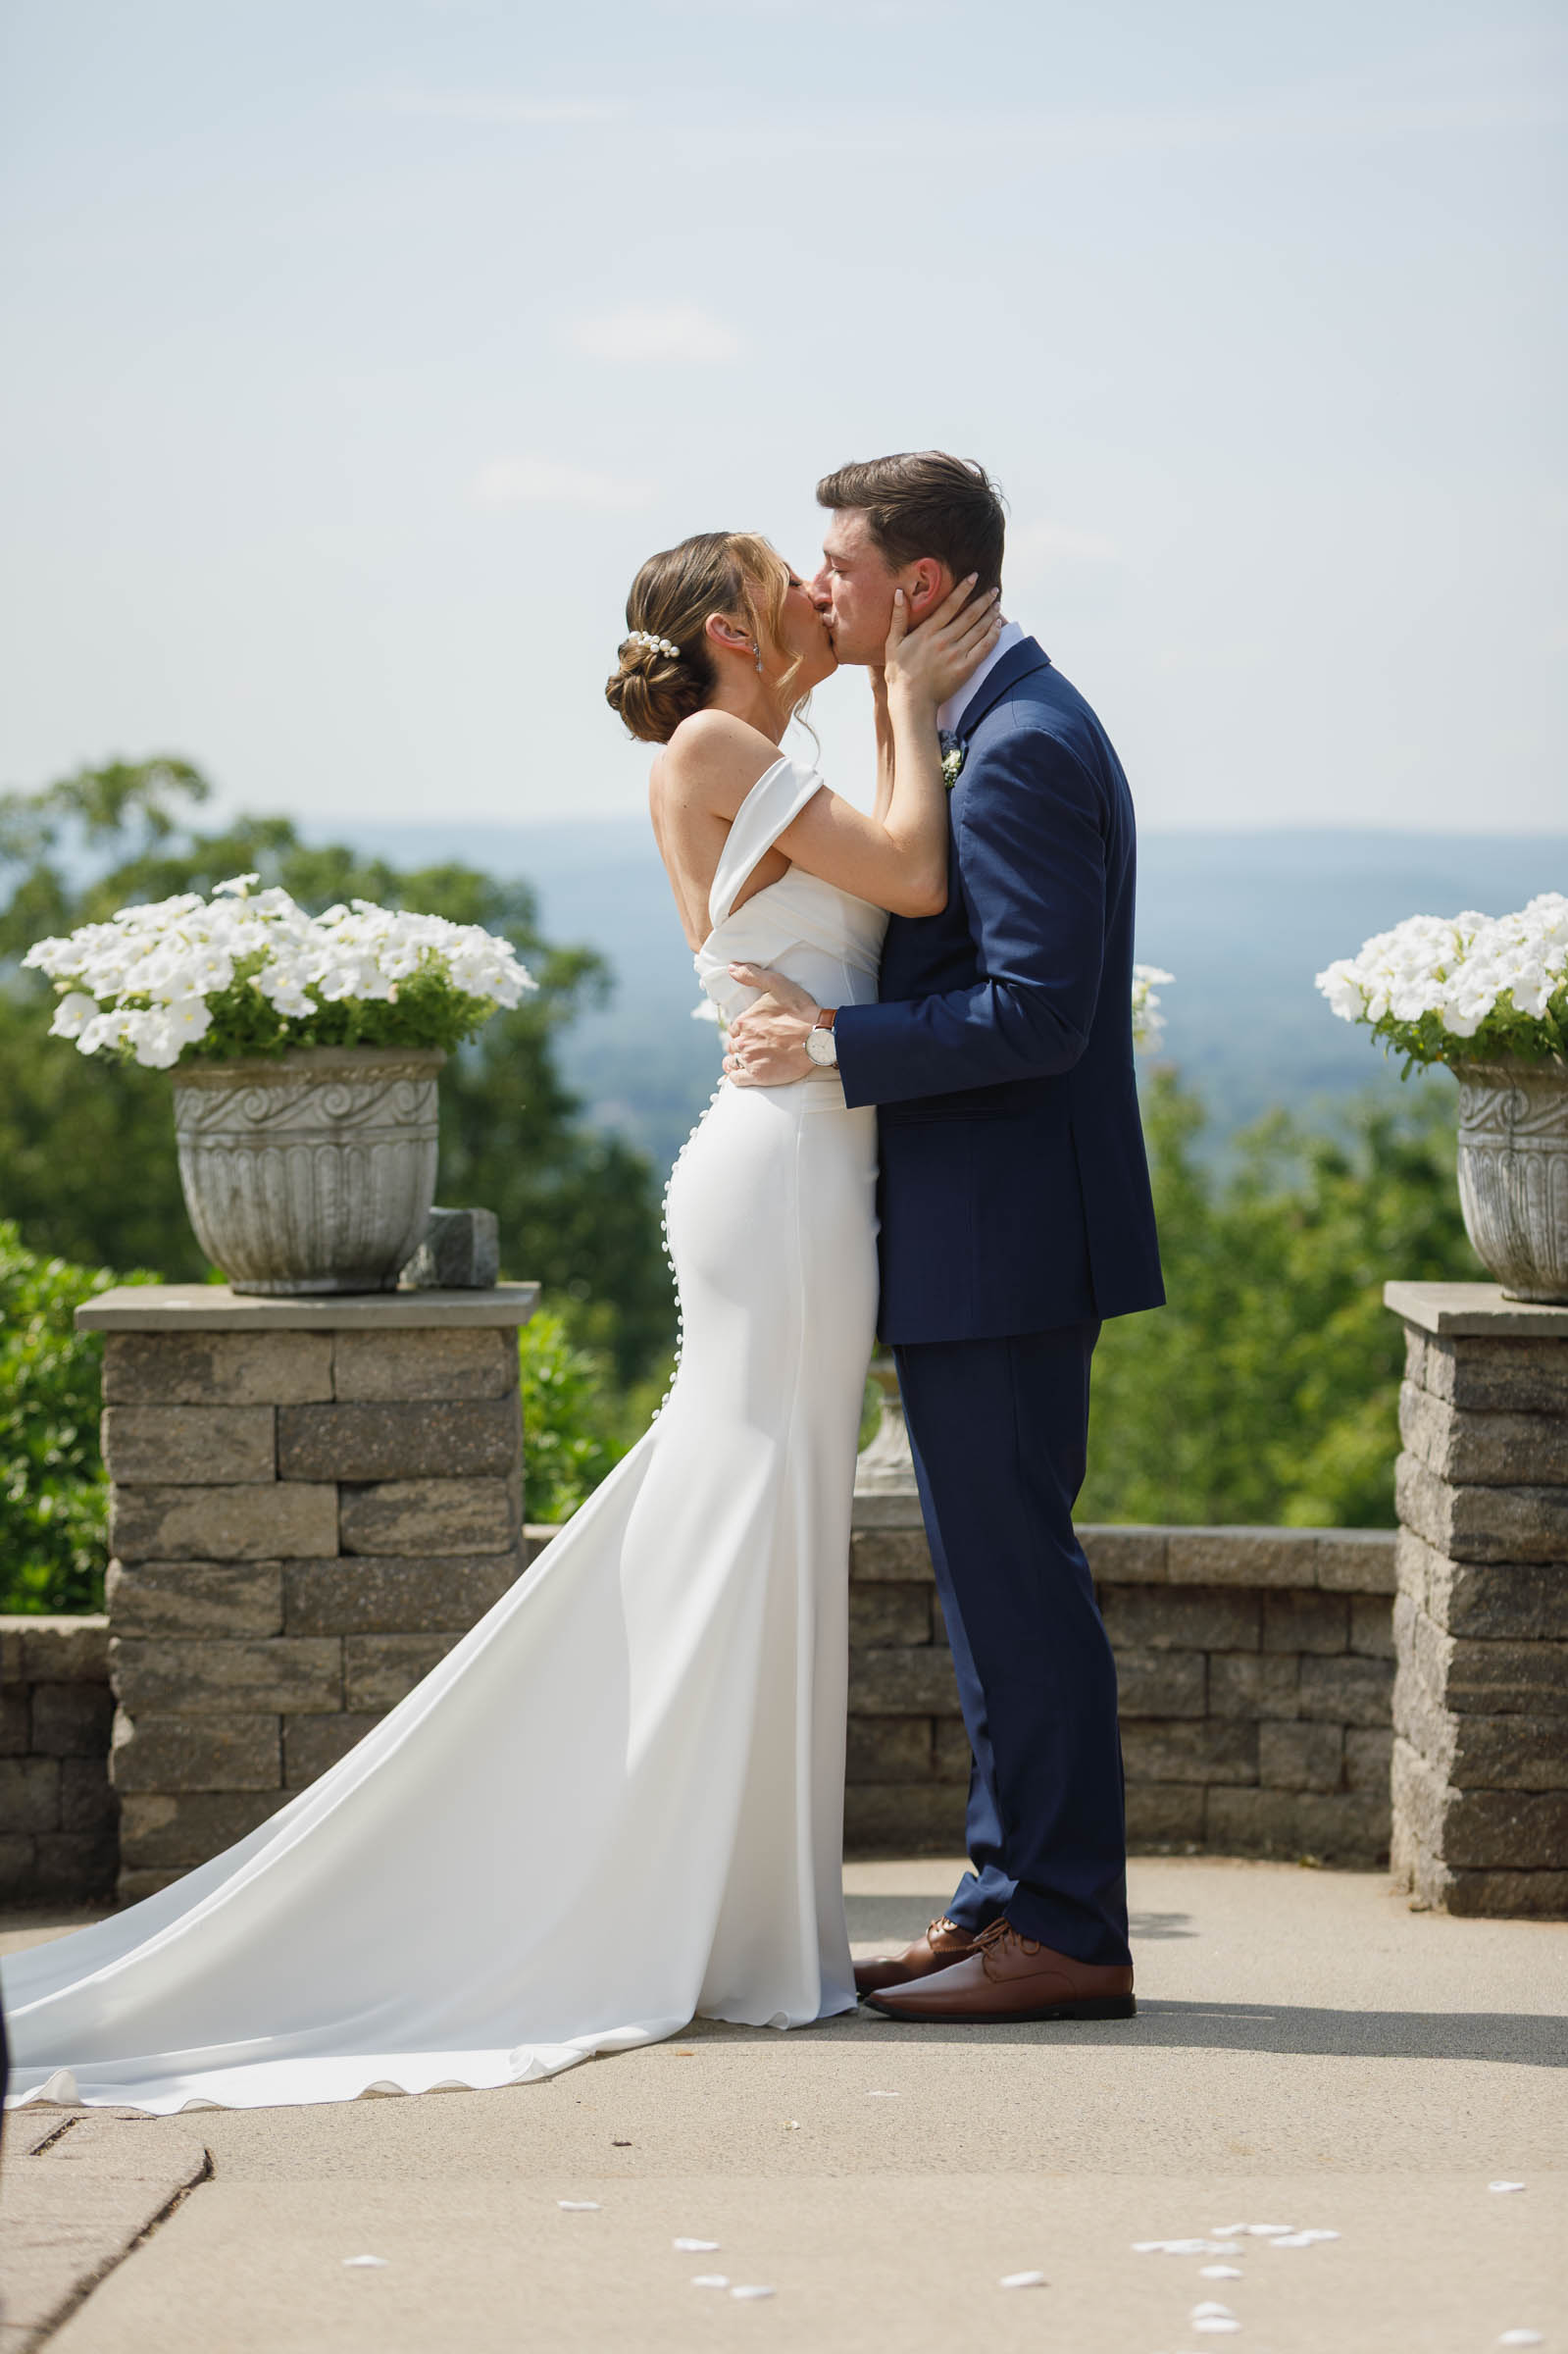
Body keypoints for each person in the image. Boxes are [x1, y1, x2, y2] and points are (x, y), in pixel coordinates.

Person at [0, 529, 999, 2116]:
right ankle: (710, 1926)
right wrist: (901, 691)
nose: (814, 596)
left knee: (766, 1516)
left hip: (802, 1161)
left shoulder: (739, 738)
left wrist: (882, 687)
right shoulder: (720, 741)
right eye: (782, 575)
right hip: (789, 1178)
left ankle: (745, 1924)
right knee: (755, 1510)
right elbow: (919, 875)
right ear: (735, 627)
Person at [725, 453, 1164, 2024]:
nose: (815, 590)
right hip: (984, 1234)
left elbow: (1039, 1016)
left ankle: (1064, 1932)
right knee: (986, 1587)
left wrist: (838, 1045)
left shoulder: (1028, 746)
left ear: (917, 587)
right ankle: (1001, 1903)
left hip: (1015, 1238)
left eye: (837, 566)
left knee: (1016, 1585)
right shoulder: (974, 725)